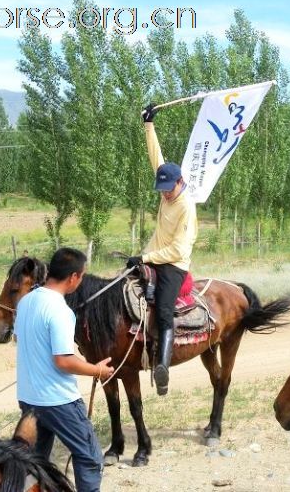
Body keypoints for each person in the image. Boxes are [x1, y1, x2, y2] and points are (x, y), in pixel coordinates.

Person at [15, 247, 114, 492]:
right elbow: (63, 360)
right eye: (81, 277)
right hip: (58, 400)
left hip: (29, 399)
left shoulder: (26, 301)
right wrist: (96, 370)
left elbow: (23, 340)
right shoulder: (60, 310)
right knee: (90, 457)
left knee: (32, 462)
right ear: (74, 277)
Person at [125, 103, 198, 396]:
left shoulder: (186, 208)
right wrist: (149, 124)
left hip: (173, 265)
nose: (164, 193)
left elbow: (177, 250)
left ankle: (163, 367)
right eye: (162, 188)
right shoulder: (167, 184)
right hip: (152, 256)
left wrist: (145, 257)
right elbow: (156, 158)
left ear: (180, 183)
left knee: (165, 311)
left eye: (168, 188)